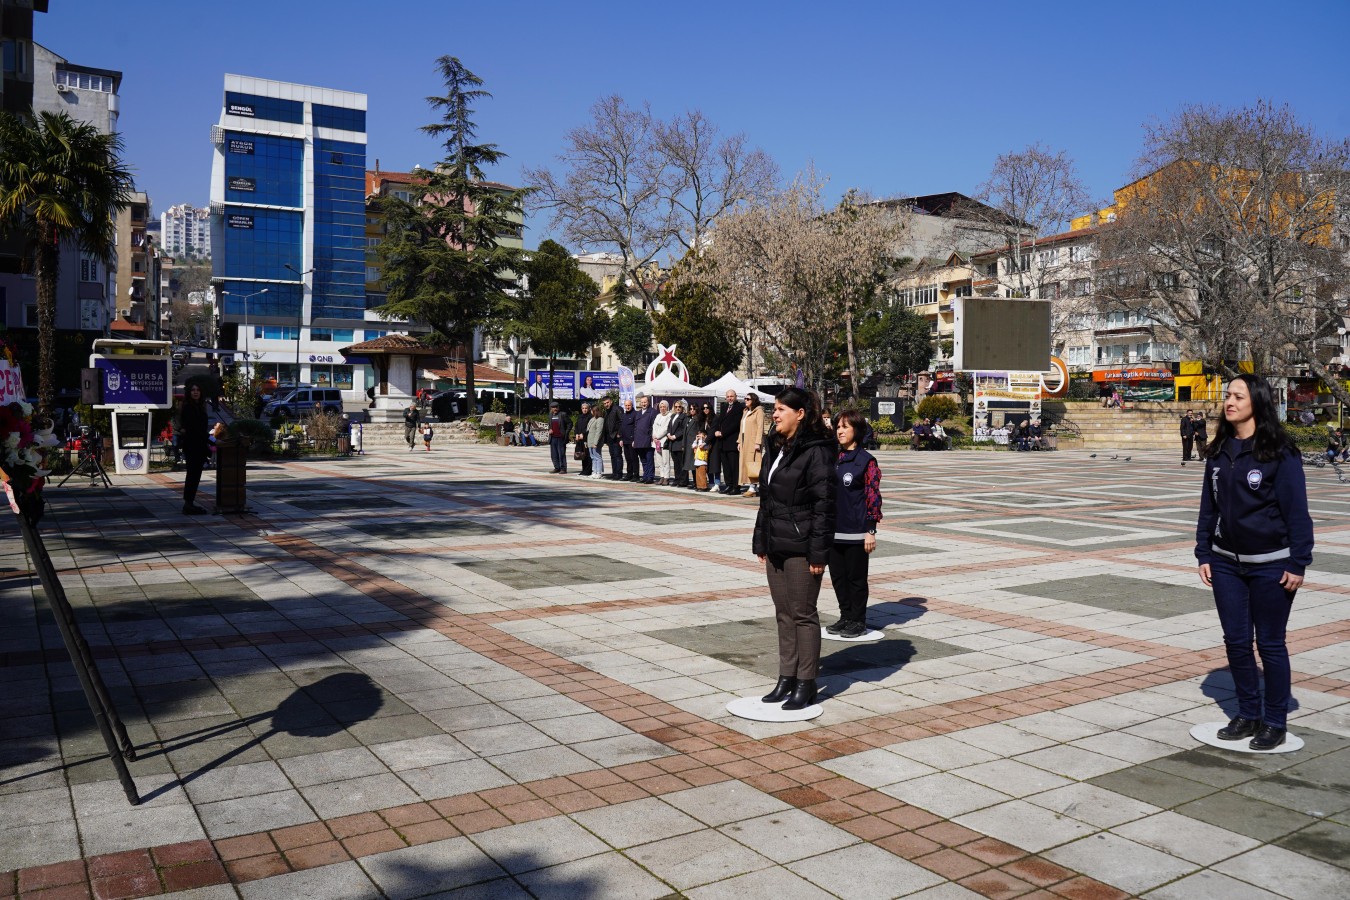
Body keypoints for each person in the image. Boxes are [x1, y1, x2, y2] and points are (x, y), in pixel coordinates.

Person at [1196, 374, 1313, 751]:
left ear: (1256, 402)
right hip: (1226, 563)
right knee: (1236, 642)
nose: (1229, 402)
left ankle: (1274, 720)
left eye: (1237, 396)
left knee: (1271, 644)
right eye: (1227, 395)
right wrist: (1203, 552)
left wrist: (1298, 562)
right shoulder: (1219, 450)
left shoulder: (1279, 452)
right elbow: (1208, 508)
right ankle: (1248, 713)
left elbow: (1297, 512)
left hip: (1271, 566)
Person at [753, 387, 836, 711]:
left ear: (801, 413)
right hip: (776, 543)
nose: (775, 414)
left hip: (802, 547)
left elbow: (825, 506)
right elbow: (767, 500)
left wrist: (818, 553)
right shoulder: (777, 447)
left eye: (781, 409)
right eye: (774, 409)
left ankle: (806, 682)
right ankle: (786, 677)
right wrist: (761, 539)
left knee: (803, 613)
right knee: (783, 613)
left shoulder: (817, 450)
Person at [828, 409, 883, 638]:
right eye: (838, 426)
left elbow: (873, 496)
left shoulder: (866, 461)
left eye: (845, 427)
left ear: (857, 431)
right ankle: (845, 616)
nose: (840, 431)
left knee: (856, 579)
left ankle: (858, 620)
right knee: (838, 578)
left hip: (856, 532)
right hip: (833, 530)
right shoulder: (833, 458)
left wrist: (870, 530)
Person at [177, 383, 211, 515]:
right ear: (189, 393)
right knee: (192, 475)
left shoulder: (201, 407)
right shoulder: (188, 408)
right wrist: (213, 440)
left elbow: (202, 429)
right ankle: (188, 503)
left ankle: (190, 502)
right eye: (193, 390)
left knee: (196, 476)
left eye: (198, 390)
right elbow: (195, 429)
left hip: (200, 446)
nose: (195, 392)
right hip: (192, 446)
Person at [715, 389, 745, 494]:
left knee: (734, 466)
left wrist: (723, 433)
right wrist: (717, 431)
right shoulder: (724, 407)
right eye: (728, 397)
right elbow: (719, 422)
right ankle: (728, 485)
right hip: (722, 442)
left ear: (735, 396)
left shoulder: (739, 407)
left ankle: (736, 487)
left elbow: (736, 424)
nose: (730, 398)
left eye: (731, 396)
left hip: (732, 441)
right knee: (726, 466)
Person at [738, 392, 766, 497]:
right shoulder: (745, 411)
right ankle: (750, 486)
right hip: (745, 440)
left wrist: (758, 442)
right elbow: (741, 428)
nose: (745, 400)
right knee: (745, 463)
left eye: (748, 399)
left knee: (753, 463)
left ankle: (753, 487)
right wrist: (739, 441)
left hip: (753, 441)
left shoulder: (759, 411)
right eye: (745, 398)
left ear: (753, 400)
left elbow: (760, 427)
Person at [633, 394, 657, 484]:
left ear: (648, 402)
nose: (643, 404)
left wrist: (652, 437)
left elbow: (653, 426)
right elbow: (635, 427)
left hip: (648, 439)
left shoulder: (652, 412)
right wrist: (634, 440)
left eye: (645, 402)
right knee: (643, 459)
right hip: (639, 439)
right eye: (642, 402)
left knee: (649, 459)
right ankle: (645, 475)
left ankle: (650, 477)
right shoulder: (638, 413)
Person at [652, 400, 674, 485]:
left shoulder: (669, 416)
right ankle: (661, 476)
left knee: (665, 461)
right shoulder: (658, 416)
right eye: (661, 407)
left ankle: (666, 477)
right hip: (656, 441)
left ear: (667, 407)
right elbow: (654, 426)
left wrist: (657, 436)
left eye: (664, 406)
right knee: (659, 461)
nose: (662, 408)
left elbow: (666, 428)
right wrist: (654, 436)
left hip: (664, 441)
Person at [603, 396, 625, 480]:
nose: (606, 404)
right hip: (609, 437)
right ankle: (614, 472)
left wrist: (619, 434)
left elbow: (621, 422)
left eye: (607, 402)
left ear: (611, 402)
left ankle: (619, 473)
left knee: (617, 455)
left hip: (616, 436)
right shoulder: (607, 411)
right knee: (612, 455)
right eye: (604, 403)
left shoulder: (617, 409)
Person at [667, 401, 688, 487]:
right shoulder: (673, 416)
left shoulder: (684, 417)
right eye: (676, 407)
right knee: (676, 463)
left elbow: (683, 429)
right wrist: (668, 434)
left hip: (679, 442)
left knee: (681, 463)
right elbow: (669, 427)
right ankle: (677, 479)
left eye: (679, 406)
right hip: (672, 443)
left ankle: (683, 481)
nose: (677, 408)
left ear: (682, 408)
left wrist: (675, 436)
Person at [547, 403, 571, 474]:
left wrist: (566, 432)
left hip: (561, 438)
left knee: (561, 454)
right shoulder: (550, 415)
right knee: (554, 454)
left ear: (558, 407)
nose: (555, 409)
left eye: (556, 407)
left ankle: (563, 469)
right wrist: (549, 429)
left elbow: (570, 423)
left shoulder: (563, 414)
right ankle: (556, 468)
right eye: (553, 407)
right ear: (551, 408)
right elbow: (549, 425)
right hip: (553, 437)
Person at [618, 398, 638, 481]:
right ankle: (629, 474)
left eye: (629, 405)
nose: (627, 407)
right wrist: (621, 439)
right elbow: (622, 428)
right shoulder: (624, 415)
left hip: (632, 440)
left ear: (632, 405)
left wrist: (634, 440)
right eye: (626, 405)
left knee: (634, 459)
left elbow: (636, 428)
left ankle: (636, 475)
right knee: (628, 459)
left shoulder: (635, 414)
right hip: (625, 440)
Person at [586, 406, 607, 479]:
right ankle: (594, 471)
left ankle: (599, 472)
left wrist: (595, 442)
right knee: (592, 457)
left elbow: (599, 431)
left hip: (595, 442)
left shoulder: (600, 419)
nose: (591, 412)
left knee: (597, 457)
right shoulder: (592, 419)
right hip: (590, 441)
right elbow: (588, 431)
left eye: (592, 411)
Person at [575, 402, 593, 477]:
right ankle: (584, 469)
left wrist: (584, 434)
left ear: (589, 409)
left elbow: (589, 428)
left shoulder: (590, 417)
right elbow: (576, 426)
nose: (584, 410)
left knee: (587, 455)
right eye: (583, 408)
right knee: (582, 455)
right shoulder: (580, 417)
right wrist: (576, 434)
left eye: (586, 408)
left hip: (587, 438)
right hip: (580, 439)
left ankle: (588, 470)